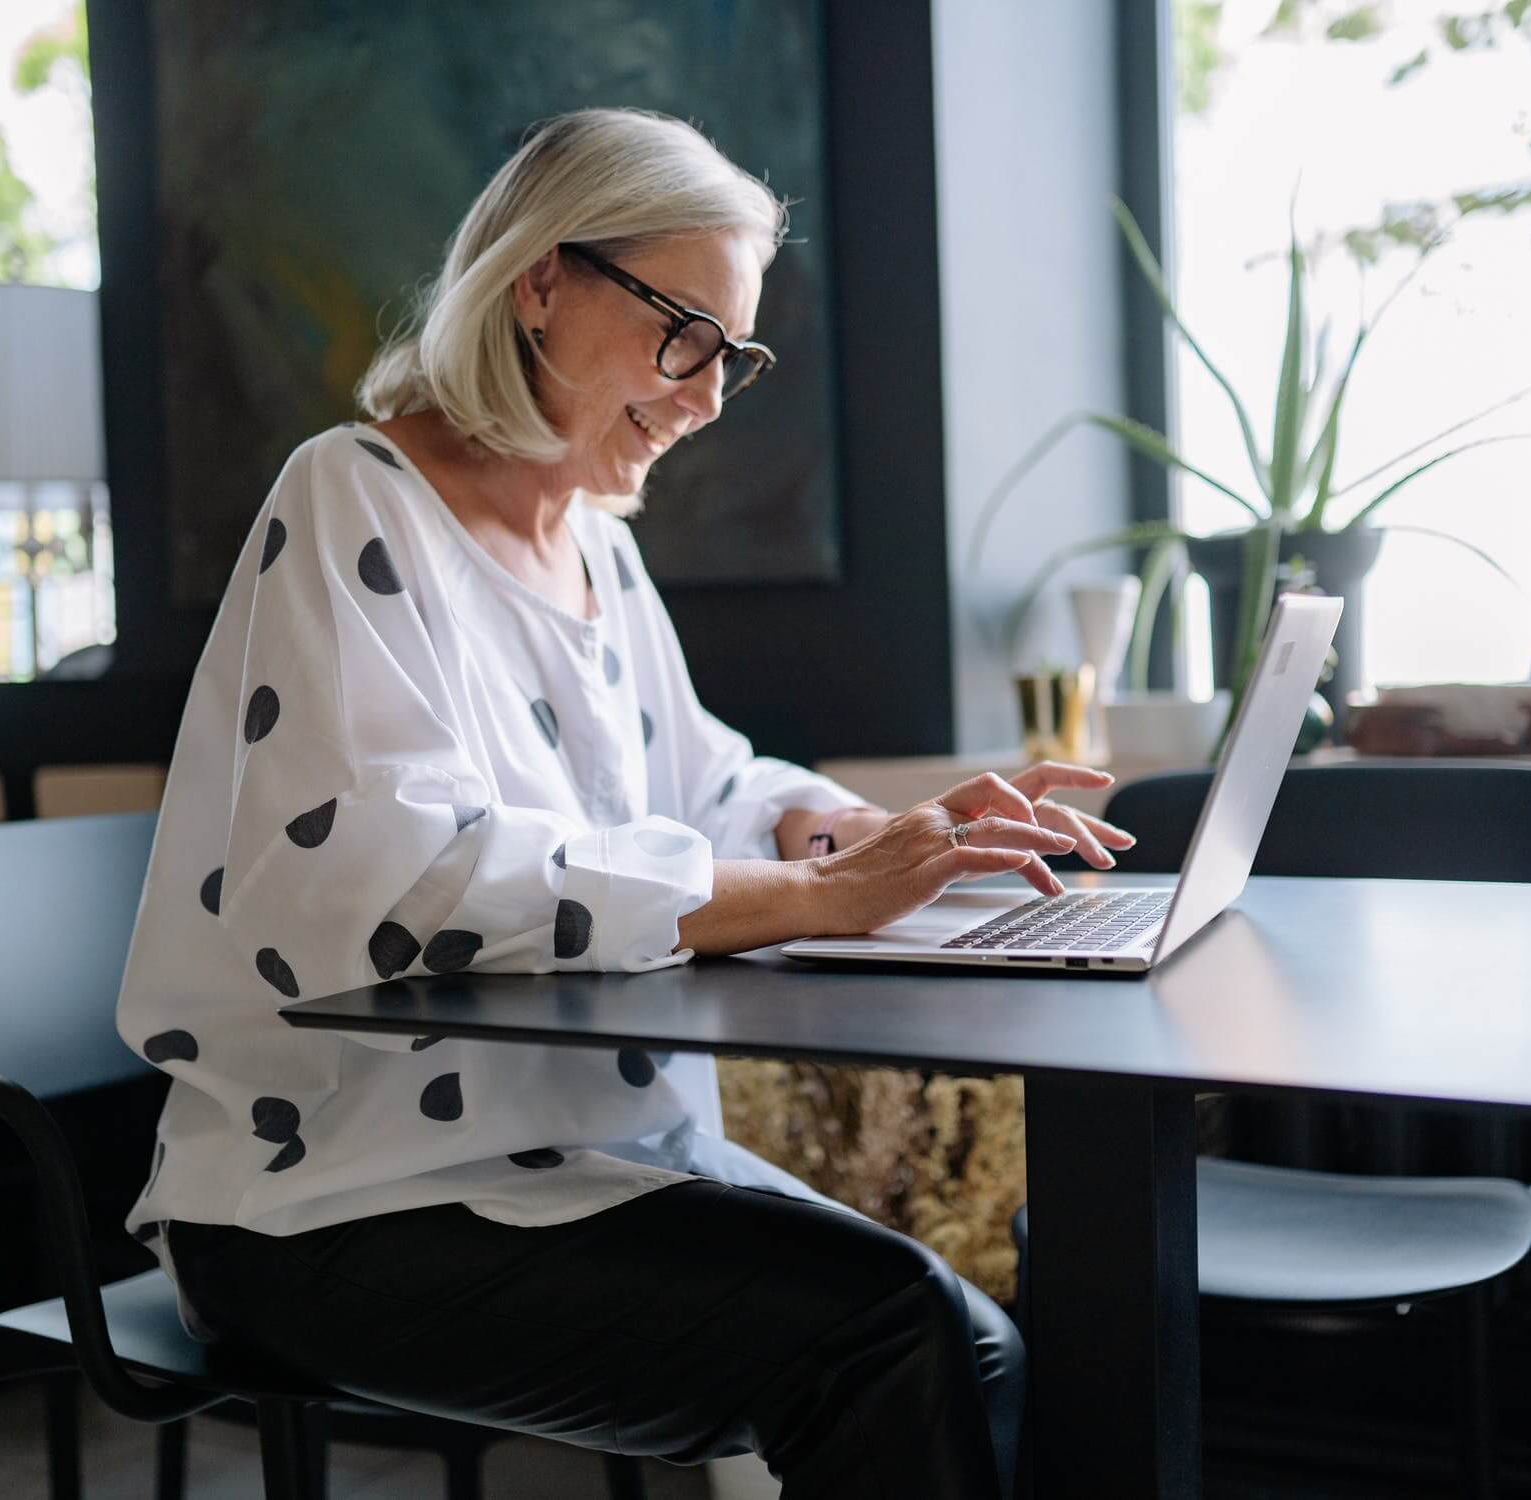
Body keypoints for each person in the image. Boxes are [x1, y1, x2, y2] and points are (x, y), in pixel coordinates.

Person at [116, 107, 1136, 1499]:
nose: (709, 396)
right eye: (684, 334)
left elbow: (702, 781)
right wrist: (822, 897)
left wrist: (836, 833)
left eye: (735, 355)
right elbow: (410, 875)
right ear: (540, 280)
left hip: (581, 1161)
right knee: (895, 1339)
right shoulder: (355, 499)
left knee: (973, 1344)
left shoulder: (593, 549)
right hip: (333, 1201)